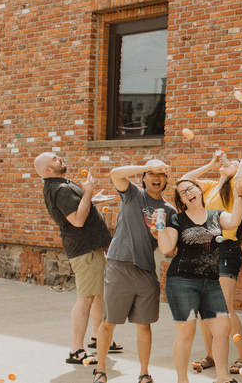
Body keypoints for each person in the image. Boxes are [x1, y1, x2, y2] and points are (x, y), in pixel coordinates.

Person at [181, 121, 242, 374]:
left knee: (225, 307)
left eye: (236, 164)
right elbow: (184, 181)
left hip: (227, 249)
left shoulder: (238, 186)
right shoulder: (209, 186)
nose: (231, 163)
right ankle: (211, 355)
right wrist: (212, 165)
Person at [91, 159, 176, 383]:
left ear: (166, 180)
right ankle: (100, 370)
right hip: (119, 265)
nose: (156, 178)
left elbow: (168, 249)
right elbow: (115, 173)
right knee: (108, 322)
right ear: (144, 177)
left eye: (161, 175)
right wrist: (147, 166)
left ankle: (144, 373)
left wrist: (160, 236)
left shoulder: (169, 211)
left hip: (146, 270)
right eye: (151, 174)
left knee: (144, 324)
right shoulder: (133, 194)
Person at [157, 177, 242, 383]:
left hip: (211, 282)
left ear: (199, 190)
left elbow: (235, 221)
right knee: (186, 332)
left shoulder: (217, 215)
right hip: (182, 281)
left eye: (191, 188)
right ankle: (182, 379)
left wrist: (239, 194)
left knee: (222, 329)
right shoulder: (176, 220)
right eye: (183, 192)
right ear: (182, 200)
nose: (188, 193)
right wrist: (160, 228)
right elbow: (166, 248)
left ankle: (222, 377)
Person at [34, 152, 118, 368]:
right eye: (54, 159)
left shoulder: (60, 185)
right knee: (86, 299)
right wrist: (88, 192)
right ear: (47, 170)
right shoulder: (60, 189)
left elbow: (74, 207)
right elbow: (78, 220)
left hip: (92, 248)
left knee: (98, 295)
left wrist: (92, 198)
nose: (59, 158)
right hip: (85, 251)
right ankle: (76, 350)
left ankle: (98, 337)